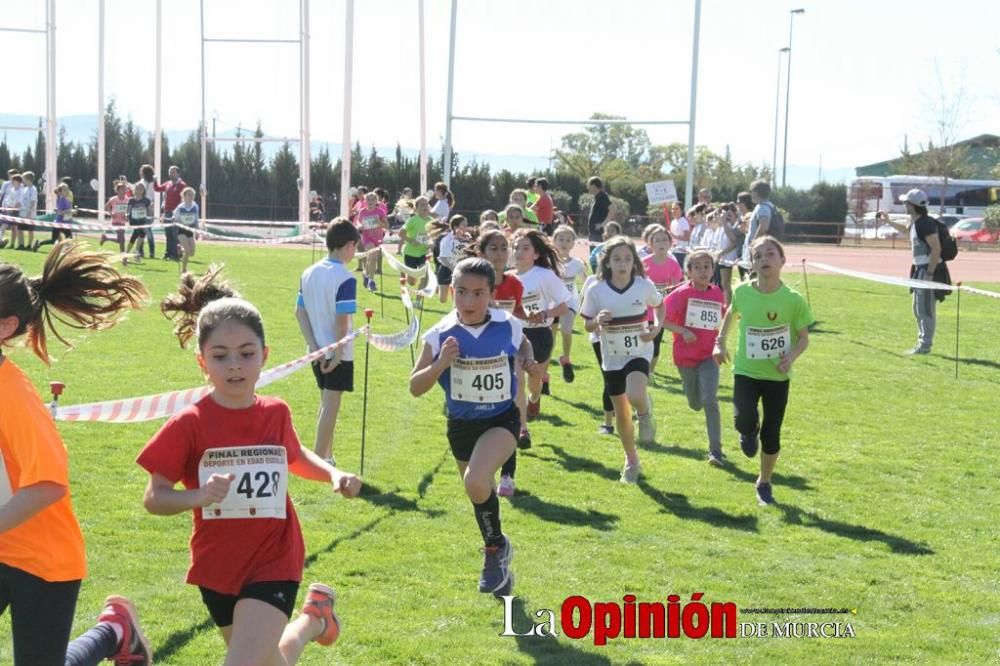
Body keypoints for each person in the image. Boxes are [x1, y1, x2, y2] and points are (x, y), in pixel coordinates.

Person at [141, 267, 362, 665]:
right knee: (268, 660)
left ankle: (313, 617)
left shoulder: (275, 412)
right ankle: (314, 620)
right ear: (202, 362)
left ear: (265, 356)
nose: (235, 366)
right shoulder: (188, 423)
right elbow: (154, 498)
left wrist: (332, 473)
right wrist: (199, 495)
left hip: (275, 557)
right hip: (217, 567)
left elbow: (293, 458)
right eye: (220, 357)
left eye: (246, 354)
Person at [0, 241, 153, 665]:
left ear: (5, 325)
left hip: (43, 563)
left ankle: (114, 631)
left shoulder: (13, 397)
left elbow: (48, 485)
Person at [410, 257, 542, 595]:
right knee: (477, 491)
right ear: (452, 291)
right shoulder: (440, 334)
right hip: (462, 425)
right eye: (463, 292)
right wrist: (441, 363)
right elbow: (415, 386)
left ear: (492, 294)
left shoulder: (506, 323)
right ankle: (497, 545)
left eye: (479, 293)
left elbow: (522, 341)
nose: (469, 302)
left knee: (476, 479)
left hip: (501, 419)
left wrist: (527, 359)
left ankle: (493, 552)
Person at [713, 237, 813, 505]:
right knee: (743, 420)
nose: (764, 259)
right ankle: (748, 430)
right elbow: (730, 315)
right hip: (746, 371)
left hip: (777, 376)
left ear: (782, 261)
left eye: (770, 254)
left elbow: (804, 338)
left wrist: (790, 357)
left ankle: (764, 481)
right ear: (752, 264)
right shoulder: (743, 292)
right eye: (758, 256)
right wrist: (719, 343)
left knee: (772, 432)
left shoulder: (793, 300)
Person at [580, 237, 665, 483]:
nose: (623, 264)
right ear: (607, 263)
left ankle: (645, 412)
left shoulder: (643, 285)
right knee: (622, 413)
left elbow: (660, 306)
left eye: (628, 259)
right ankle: (631, 461)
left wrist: (657, 327)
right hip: (612, 356)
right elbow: (586, 324)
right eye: (617, 259)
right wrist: (597, 321)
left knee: (636, 393)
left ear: (634, 262)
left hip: (640, 350)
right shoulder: (596, 289)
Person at [295, 219, 361, 465]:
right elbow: (342, 321)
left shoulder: (309, 272)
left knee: (326, 403)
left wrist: (313, 345)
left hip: (316, 350)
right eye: (355, 247)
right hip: (337, 353)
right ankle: (319, 460)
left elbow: (299, 311)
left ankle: (328, 456)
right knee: (331, 407)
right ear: (349, 245)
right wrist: (336, 353)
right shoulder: (345, 277)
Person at [663, 250, 727, 466]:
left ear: (713, 270)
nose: (703, 271)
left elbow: (722, 318)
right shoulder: (681, 294)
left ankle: (715, 451)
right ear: (688, 271)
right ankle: (695, 398)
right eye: (697, 267)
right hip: (685, 358)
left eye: (707, 266)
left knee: (710, 400)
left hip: (709, 356)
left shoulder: (717, 292)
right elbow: (661, 319)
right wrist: (683, 331)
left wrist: (723, 340)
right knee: (695, 403)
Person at [514, 229, 571, 423]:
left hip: (539, 334)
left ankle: (535, 398)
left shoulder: (544, 275)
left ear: (536, 254)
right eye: (516, 248)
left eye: (525, 248)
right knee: (516, 378)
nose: (519, 252)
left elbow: (564, 306)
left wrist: (545, 314)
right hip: (514, 333)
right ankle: (519, 423)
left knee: (533, 382)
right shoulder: (507, 277)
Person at [883, 189, 947, 355]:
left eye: (906, 203)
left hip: (927, 270)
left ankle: (925, 345)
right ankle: (922, 342)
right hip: (919, 269)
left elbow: (936, 248)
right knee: (917, 308)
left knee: (925, 309)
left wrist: (930, 273)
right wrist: (888, 221)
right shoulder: (915, 222)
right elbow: (906, 230)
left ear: (912, 205)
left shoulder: (926, 223)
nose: (904, 205)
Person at [640, 224, 684, 377]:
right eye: (657, 240)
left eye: (664, 240)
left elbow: (675, 287)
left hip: (660, 311)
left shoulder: (673, 264)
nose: (661, 243)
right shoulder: (644, 263)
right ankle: (639, 367)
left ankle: (650, 372)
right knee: (642, 340)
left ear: (670, 243)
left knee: (656, 341)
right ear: (650, 244)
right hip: (643, 309)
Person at [551, 224, 585, 383]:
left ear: (573, 243)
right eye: (560, 239)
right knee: (550, 337)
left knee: (566, 330)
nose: (564, 243)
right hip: (550, 304)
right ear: (554, 241)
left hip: (569, 302)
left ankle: (566, 358)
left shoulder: (577, 263)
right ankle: (545, 373)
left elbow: (586, 281)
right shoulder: (547, 262)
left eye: (568, 240)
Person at [152, 165, 188, 261]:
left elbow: (183, 200)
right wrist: (155, 181)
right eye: (170, 172)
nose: (171, 174)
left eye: (173, 172)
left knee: (175, 234)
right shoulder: (168, 184)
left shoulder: (182, 185)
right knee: (168, 234)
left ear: (178, 173)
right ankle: (168, 253)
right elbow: (158, 189)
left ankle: (175, 254)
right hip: (167, 213)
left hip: (176, 213)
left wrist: (179, 212)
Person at [356, 192, 389, 293]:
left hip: (377, 238)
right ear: (365, 201)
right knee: (373, 256)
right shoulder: (362, 212)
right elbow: (358, 222)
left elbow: (387, 226)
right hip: (367, 238)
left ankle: (366, 274)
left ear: (376, 201)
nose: (370, 202)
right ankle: (371, 281)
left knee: (371, 258)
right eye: (368, 200)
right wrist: (359, 226)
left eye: (373, 200)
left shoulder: (380, 212)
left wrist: (380, 222)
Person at [435, 215, 470, 304]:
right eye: (464, 225)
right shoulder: (446, 240)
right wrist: (453, 269)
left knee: (457, 297)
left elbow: (465, 254)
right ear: (455, 227)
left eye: (467, 225)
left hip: (460, 270)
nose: (466, 227)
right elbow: (444, 258)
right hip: (446, 269)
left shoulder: (467, 238)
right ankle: (437, 284)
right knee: (443, 299)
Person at [399, 196, 434, 285]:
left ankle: (418, 298)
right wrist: (411, 241)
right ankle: (403, 271)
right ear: (416, 209)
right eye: (422, 205)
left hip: (423, 253)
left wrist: (431, 243)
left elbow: (432, 236)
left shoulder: (432, 221)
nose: (425, 207)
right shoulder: (412, 220)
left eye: (426, 204)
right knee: (412, 282)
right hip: (410, 253)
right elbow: (401, 233)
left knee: (425, 275)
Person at [740, 179, 775, 267]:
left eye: (751, 191)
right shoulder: (769, 206)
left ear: (756, 192)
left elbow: (763, 227)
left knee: (754, 277)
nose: (750, 194)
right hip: (763, 248)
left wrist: (753, 244)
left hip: (759, 251)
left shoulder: (762, 207)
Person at [33, 183, 75, 252]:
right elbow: (60, 212)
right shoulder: (62, 200)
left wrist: (72, 212)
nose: (67, 191)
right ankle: (38, 243)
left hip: (65, 223)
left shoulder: (67, 200)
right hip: (59, 223)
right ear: (60, 192)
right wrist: (69, 211)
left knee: (68, 239)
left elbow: (66, 211)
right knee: (57, 240)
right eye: (65, 190)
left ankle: (39, 243)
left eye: (67, 189)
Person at [124, 181, 152, 263]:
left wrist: (151, 218)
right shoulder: (131, 200)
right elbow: (128, 210)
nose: (139, 190)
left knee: (135, 236)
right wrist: (126, 215)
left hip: (143, 220)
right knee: (142, 234)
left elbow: (149, 210)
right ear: (134, 190)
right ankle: (136, 253)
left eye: (141, 189)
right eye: (137, 188)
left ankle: (126, 254)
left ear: (143, 191)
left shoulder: (146, 200)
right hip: (134, 221)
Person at [174, 187, 200, 274]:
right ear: (184, 196)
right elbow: (175, 219)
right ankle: (184, 269)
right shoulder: (180, 207)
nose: (190, 196)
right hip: (181, 231)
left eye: (192, 195)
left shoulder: (195, 206)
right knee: (188, 251)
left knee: (192, 253)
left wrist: (197, 231)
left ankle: (180, 248)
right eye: (188, 194)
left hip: (190, 231)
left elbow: (196, 220)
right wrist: (182, 223)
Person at [137, 165, 158, 259]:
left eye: (141, 171)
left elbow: (137, 189)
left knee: (147, 230)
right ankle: (142, 251)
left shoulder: (147, 183)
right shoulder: (151, 182)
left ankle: (149, 252)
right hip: (147, 207)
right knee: (142, 230)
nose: (140, 172)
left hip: (146, 207)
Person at [16, 171, 38, 251]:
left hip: (30, 214)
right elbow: (21, 201)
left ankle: (29, 245)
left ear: (28, 179)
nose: (22, 180)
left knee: (30, 230)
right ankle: (21, 245)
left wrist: (29, 212)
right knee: (19, 229)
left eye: (23, 178)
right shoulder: (25, 189)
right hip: (22, 213)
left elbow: (33, 201)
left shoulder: (33, 189)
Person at [0, 174, 23, 250]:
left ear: (18, 181)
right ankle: (1, 240)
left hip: (15, 211)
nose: (12, 182)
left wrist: (13, 209)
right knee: (4, 225)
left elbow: (19, 201)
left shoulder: (21, 190)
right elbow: (7, 199)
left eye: (13, 180)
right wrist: (5, 207)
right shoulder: (12, 189)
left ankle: (12, 244)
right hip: (8, 210)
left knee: (14, 228)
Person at [586, 176, 612, 243]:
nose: (587, 187)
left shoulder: (602, 196)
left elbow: (613, 209)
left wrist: (603, 224)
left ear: (594, 185)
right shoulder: (597, 197)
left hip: (598, 234)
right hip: (594, 234)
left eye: (589, 185)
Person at [668, 200, 690, 266]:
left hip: (681, 252)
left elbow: (687, 237)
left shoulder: (684, 221)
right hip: (673, 251)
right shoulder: (673, 222)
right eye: (673, 209)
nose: (674, 211)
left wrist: (673, 235)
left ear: (681, 210)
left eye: (676, 209)